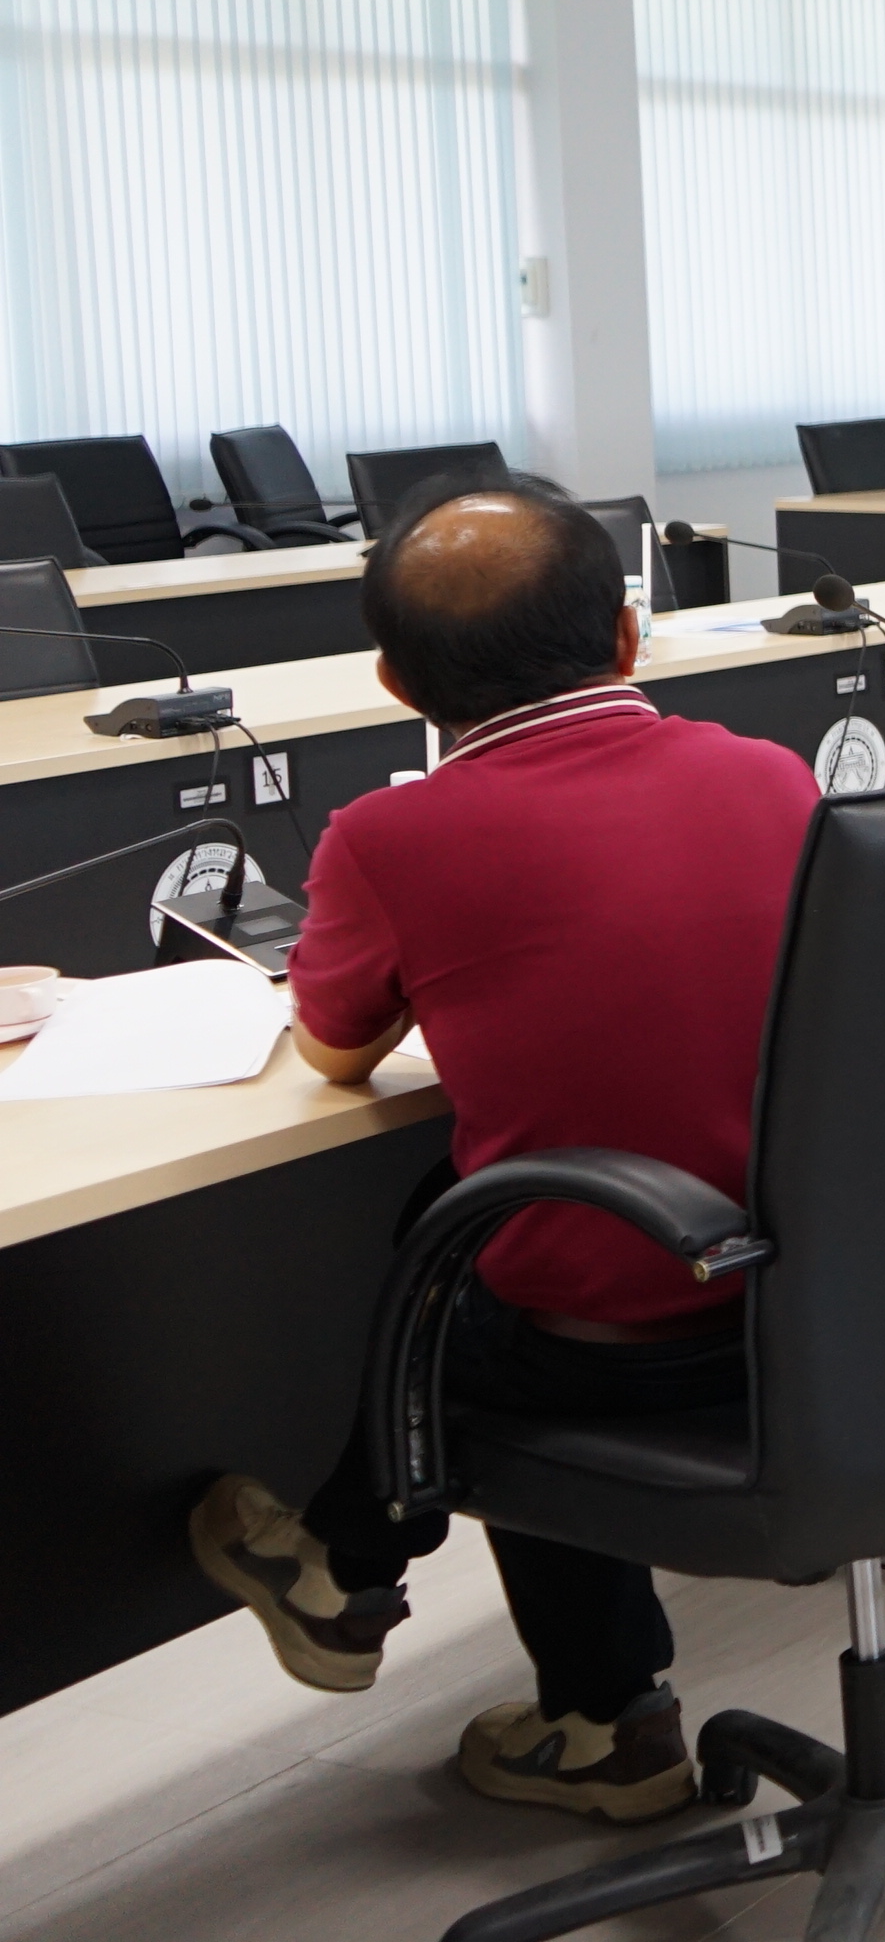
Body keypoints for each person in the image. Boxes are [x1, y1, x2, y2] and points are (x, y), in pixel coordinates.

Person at [187, 482, 818, 1820]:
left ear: (395, 682)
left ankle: (576, 1700)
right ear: (628, 636)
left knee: (472, 1263)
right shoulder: (773, 774)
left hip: (621, 1345)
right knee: (470, 1204)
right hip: (814, 1302)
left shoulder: (388, 839)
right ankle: (357, 1573)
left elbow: (336, 1053)